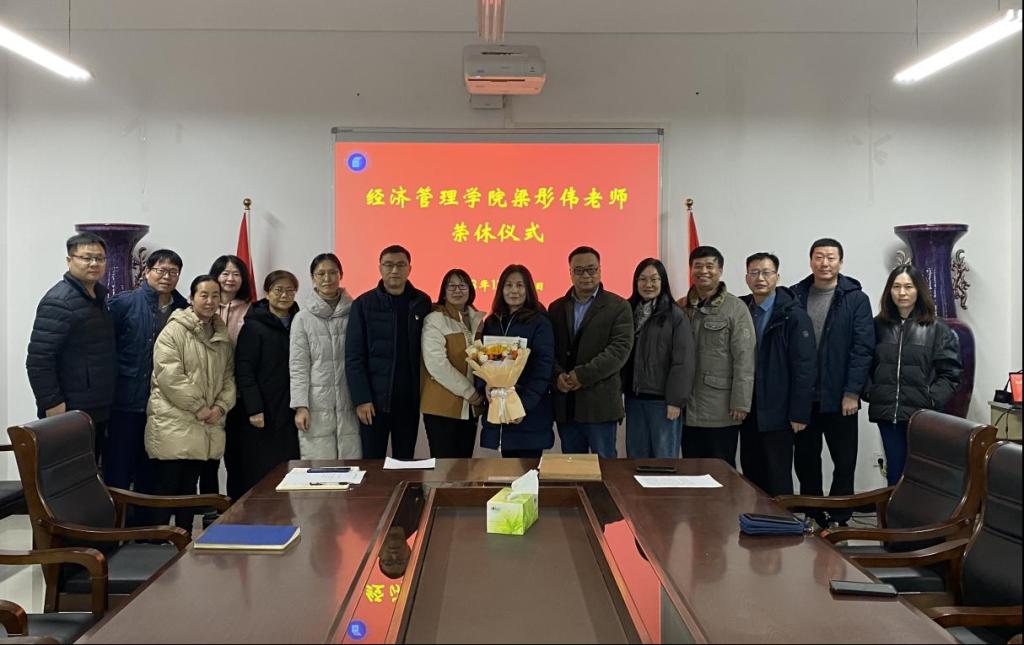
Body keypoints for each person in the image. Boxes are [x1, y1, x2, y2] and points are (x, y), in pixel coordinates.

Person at [791, 238, 874, 526]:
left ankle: (840, 517)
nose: (824, 263)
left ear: (840, 262)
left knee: (844, 461)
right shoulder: (795, 296)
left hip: (841, 397)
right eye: (819, 257)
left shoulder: (855, 299)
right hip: (805, 398)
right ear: (810, 260)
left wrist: (852, 392)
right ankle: (813, 514)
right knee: (806, 461)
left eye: (831, 257)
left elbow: (863, 349)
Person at [145, 275, 235, 534]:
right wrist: (199, 407)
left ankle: (183, 541)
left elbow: (229, 378)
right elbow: (169, 376)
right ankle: (156, 544)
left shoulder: (220, 335)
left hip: (205, 423)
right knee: (167, 487)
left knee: (189, 488)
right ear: (191, 298)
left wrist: (220, 407)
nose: (209, 301)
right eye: (203, 295)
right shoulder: (174, 331)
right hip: (174, 421)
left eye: (215, 296)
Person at [866, 264, 962, 485]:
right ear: (889, 291)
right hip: (888, 413)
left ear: (919, 290)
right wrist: (871, 392)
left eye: (908, 287)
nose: (902, 292)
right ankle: (893, 509)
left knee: (922, 474)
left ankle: (920, 510)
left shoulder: (937, 329)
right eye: (896, 286)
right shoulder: (877, 326)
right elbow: (863, 363)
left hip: (922, 416)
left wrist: (931, 399)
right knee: (895, 472)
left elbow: (951, 373)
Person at [27, 232, 117, 460]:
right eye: (86, 258)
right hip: (69, 409)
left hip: (95, 405)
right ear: (70, 260)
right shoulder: (59, 301)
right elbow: (39, 360)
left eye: (100, 258)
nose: (94, 263)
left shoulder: (97, 298)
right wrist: (53, 404)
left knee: (89, 468)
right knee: (70, 472)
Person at [106, 249, 188, 492]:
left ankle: (147, 516)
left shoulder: (184, 309)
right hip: (127, 401)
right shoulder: (123, 303)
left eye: (173, 272)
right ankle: (117, 516)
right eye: (161, 270)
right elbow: (105, 349)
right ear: (147, 271)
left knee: (153, 470)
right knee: (119, 467)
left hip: (165, 405)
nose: (167, 277)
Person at [739, 253, 817, 496]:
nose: (760, 278)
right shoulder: (741, 310)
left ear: (777, 277)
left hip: (779, 410)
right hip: (748, 407)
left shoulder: (793, 315)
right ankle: (755, 518)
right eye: (754, 273)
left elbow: (805, 367)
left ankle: (782, 520)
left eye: (766, 272)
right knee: (751, 472)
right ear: (746, 278)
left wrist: (799, 412)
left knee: (778, 474)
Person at [346, 245, 432, 460]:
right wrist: (361, 398)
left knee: (405, 462)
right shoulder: (363, 304)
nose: (395, 270)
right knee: (372, 463)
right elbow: (354, 357)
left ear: (409, 269)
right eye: (389, 265)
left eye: (401, 265)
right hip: (374, 402)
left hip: (409, 401)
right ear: (380, 268)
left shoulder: (421, 302)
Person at [549, 246, 633, 458]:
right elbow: (550, 350)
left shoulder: (618, 306)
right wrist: (557, 375)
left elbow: (619, 351)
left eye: (591, 269)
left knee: (605, 465)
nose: (586, 275)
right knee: (571, 466)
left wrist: (582, 375)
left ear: (600, 270)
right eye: (579, 270)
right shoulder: (556, 307)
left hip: (600, 405)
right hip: (567, 405)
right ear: (570, 273)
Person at [678, 245, 756, 467]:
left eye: (709, 266)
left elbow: (745, 358)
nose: (703, 271)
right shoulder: (681, 307)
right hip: (687, 409)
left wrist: (741, 402)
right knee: (690, 470)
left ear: (720, 270)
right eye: (698, 266)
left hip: (720, 408)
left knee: (722, 471)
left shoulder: (735, 308)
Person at [230, 270, 302, 499]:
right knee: (262, 466)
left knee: (289, 466)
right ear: (267, 293)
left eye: (290, 290)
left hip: (290, 406)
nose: (284, 295)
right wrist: (254, 408)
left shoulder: (300, 322)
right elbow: (244, 369)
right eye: (278, 290)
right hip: (263, 408)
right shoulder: (254, 326)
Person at [478, 265, 555, 459]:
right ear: (501, 289)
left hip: (529, 415)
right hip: (499, 411)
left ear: (529, 289)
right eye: (509, 285)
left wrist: (522, 405)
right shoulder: (492, 322)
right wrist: (486, 385)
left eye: (520, 285)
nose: (514, 291)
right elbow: (483, 362)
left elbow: (543, 368)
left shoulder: (540, 322)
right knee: (507, 472)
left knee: (529, 473)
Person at [290, 254, 361, 460]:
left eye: (332, 273)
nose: (327, 278)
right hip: (317, 403)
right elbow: (298, 366)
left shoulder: (355, 312)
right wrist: (301, 406)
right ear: (313, 278)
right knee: (319, 467)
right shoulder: (302, 319)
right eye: (321, 274)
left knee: (352, 465)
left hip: (350, 400)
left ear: (341, 275)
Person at [622, 258, 695, 459]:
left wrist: (675, 401)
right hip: (634, 399)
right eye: (643, 279)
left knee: (664, 461)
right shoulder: (627, 311)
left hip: (663, 403)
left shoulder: (675, 315)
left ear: (663, 282)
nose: (648, 284)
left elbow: (683, 361)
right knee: (636, 459)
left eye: (654, 279)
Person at [202, 255, 252, 511]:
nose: (230, 279)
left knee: (237, 456)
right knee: (207, 458)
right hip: (208, 394)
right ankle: (210, 510)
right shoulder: (203, 308)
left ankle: (236, 507)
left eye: (236, 274)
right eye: (225, 273)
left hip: (238, 394)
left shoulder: (252, 309)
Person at [420, 269, 485, 458]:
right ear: (444, 291)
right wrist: (470, 392)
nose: (457, 290)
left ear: (470, 290)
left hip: (470, 407)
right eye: (452, 286)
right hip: (442, 408)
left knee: (464, 466)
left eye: (462, 285)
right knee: (444, 467)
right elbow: (437, 364)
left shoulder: (477, 320)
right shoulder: (435, 319)